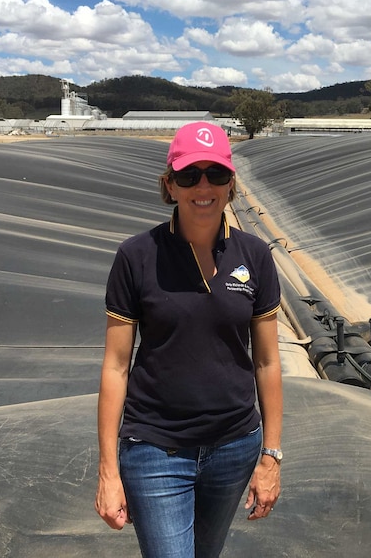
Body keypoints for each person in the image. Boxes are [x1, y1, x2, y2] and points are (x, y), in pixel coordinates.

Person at [95, 121, 283, 558]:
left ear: (231, 183)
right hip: (156, 449)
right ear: (170, 185)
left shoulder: (254, 256)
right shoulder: (137, 256)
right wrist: (108, 470)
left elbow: (267, 362)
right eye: (189, 175)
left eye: (216, 174)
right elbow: (116, 365)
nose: (204, 186)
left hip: (235, 445)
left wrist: (271, 456)